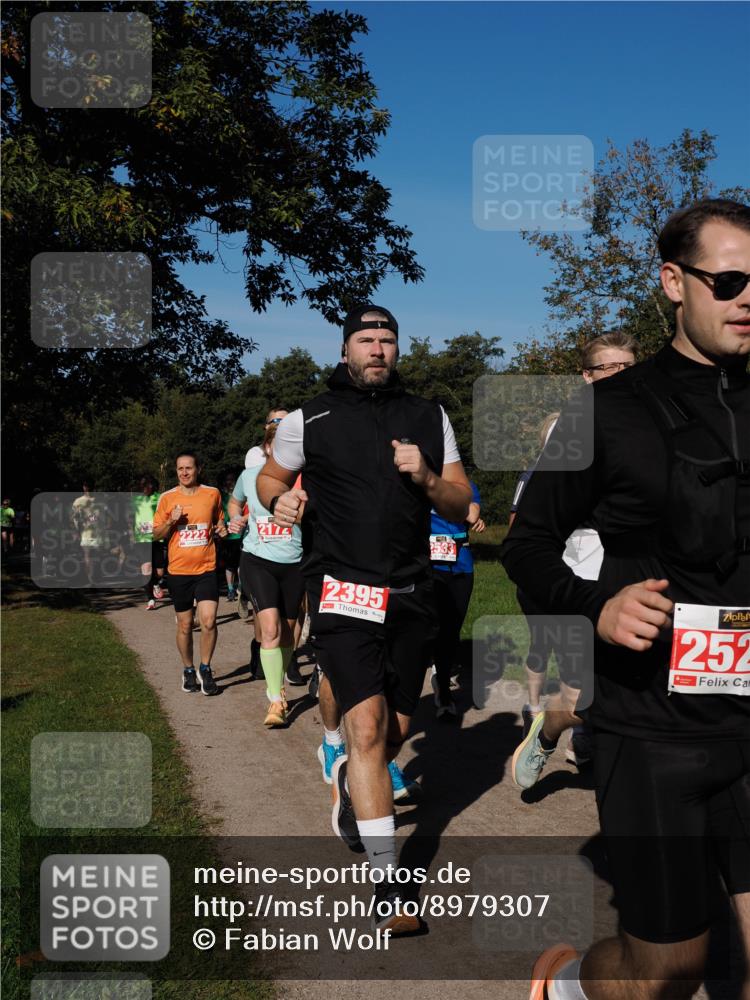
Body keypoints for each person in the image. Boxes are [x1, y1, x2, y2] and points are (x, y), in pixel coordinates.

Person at [500, 198, 750, 1000]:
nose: (749, 298)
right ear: (674, 282)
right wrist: (597, 605)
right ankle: (570, 985)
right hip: (652, 730)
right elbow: (527, 545)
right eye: (731, 280)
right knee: (668, 972)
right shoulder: (605, 410)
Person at [257, 304, 472, 933]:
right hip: (343, 590)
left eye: (387, 340)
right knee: (370, 726)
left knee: (396, 730)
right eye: (365, 340)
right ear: (346, 349)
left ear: (397, 350)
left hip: (411, 594)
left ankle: (353, 781)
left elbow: (460, 503)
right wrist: (284, 496)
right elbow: (270, 477)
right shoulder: (309, 417)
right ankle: (387, 885)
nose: (377, 349)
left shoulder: (429, 416)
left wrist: (428, 476)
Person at [512, 332, 638, 769]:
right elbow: (529, 534)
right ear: (587, 377)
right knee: (585, 683)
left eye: (630, 367)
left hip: (640, 567)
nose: (622, 376)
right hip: (580, 566)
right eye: (610, 368)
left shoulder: (655, 426)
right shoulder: (569, 436)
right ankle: (552, 727)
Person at [229, 425, 304, 726]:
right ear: (269, 448)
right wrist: (236, 517)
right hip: (257, 560)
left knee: (287, 632)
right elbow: (235, 502)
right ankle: (276, 698)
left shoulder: (306, 477)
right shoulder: (250, 476)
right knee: (270, 629)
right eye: (278, 445)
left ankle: (278, 684)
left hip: (296, 563)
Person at [152, 453, 227, 696]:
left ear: (198, 469)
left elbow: (218, 522)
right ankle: (187, 669)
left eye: (189, 468)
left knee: (209, 620)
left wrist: (222, 529)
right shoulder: (167, 498)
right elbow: (155, 534)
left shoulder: (212, 494)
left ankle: (205, 668)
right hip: (179, 571)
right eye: (180, 469)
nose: (184, 473)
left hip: (206, 568)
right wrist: (171, 522)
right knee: (185, 626)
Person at [429, 479, 485, 719]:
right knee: (433, 626)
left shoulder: (467, 486)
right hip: (431, 565)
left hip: (461, 564)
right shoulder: (424, 483)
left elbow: (472, 514)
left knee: (452, 629)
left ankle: (440, 680)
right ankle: (441, 687)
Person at [131, 475, 162, 610]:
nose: (145, 488)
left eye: (148, 485)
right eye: (143, 485)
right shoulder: (135, 499)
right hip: (142, 538)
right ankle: (150, 599)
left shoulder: (159, 497)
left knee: (160, 572)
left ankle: (155, 583)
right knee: (146, 569)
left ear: (152, 486)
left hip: (156, 537)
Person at [70, 483, 109, 584]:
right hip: (85, 533)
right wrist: (76, 531)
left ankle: (94, 577)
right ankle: (91, 579)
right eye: (86, 485)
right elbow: (73, 518)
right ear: (83, 487)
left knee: (97, 558)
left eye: (88, 485)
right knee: (88, 556)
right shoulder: (78, 501)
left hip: (98, 533)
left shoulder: (100, 500)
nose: (87, 488)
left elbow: (106, 517)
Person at [219, 472, 243, 601]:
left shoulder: (240, 495)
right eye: (227, 480)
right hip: (227, 535)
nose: (230, 483)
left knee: (240, 564)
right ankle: (230, 589)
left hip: (240, 534)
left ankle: (240, 588)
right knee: (229, 565)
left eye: (232, 480)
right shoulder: (221, 496)